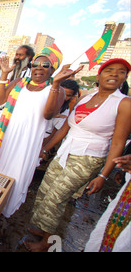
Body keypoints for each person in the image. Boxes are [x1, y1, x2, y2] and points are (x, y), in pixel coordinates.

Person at [26, 58, 131, 252]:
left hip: (88, 158)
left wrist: (102, 176)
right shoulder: (84, 98)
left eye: (121, 72)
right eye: (109, 71)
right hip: (66, 152)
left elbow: (118, 143)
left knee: (57, 196)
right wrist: (46, 148)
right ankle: (44, 228)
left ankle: (47, 242)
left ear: (125, 78)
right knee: (45, 190)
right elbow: (65, 128)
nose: (114, 74)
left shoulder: (123, 104)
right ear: (99, 76)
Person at [0, 43, 82, 218]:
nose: (39, 68)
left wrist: (56, 84)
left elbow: (48, 114)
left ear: (53, 69)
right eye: (35, 65)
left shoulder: (57, 90)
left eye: (45, 65)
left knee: (15, 177)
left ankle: (2, 215)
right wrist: (4, 75)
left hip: (27, 143)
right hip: (5, 137)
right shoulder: (19, 83)